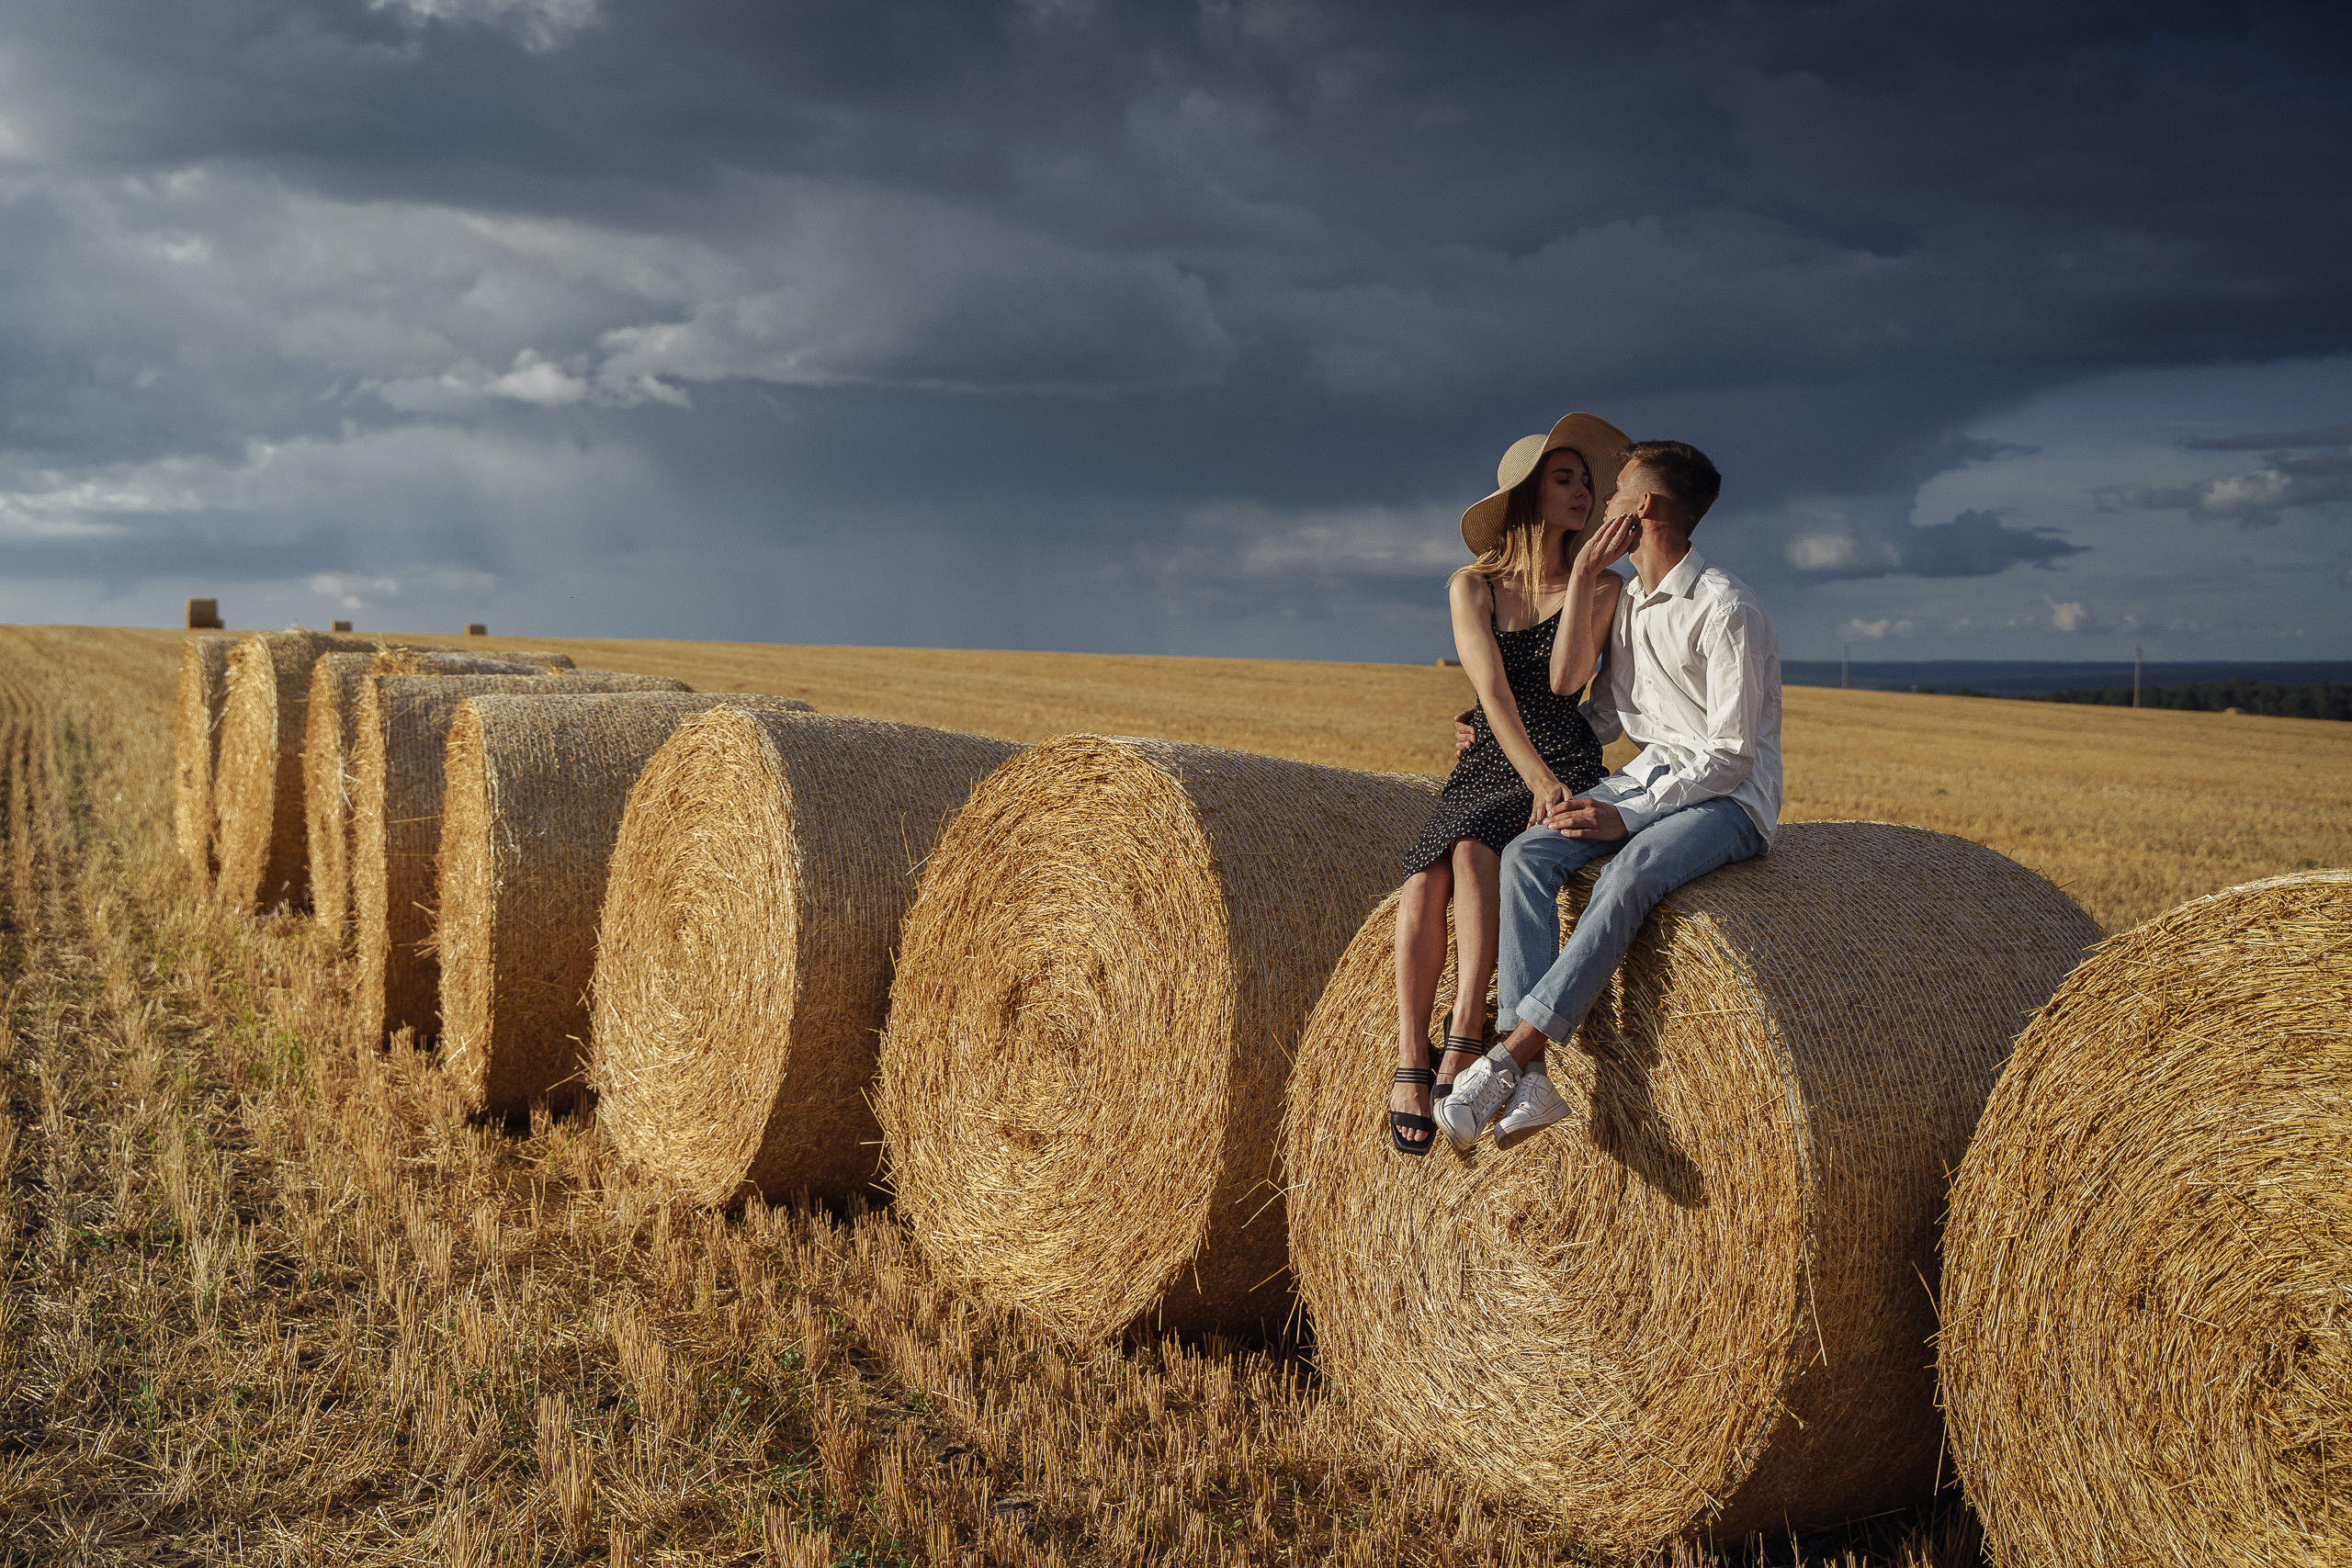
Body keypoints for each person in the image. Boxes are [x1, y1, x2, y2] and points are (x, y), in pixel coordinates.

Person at [1435, 438, 1781, 1149]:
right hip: (1647, 781)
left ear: (1644, 508)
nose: (1601, 501)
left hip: (1730, 803)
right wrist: (1503, 734)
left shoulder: (1726, 609)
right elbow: (1605, 714)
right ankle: (1531, 1088)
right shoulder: (1626, 603)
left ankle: (1509, 1057)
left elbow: (1730, 754)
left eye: (1615, 490)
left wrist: (1626, 811)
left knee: (1627, 874)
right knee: (1530, 854)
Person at [1387, 413, 1631, 1155]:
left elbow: (1569, 684)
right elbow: (1491, 692)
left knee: (1467, 853)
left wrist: (1551, 777)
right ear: (1529, 495)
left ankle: (1464, 1036)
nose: (1584, 491)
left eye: (1588, 481)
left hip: (1565, 751)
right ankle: (1411, 1056)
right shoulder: (1472, 586)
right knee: (1425, 876)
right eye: (1566, 479)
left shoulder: (1604, 589)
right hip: (1501, 757)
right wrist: (1531, 775)